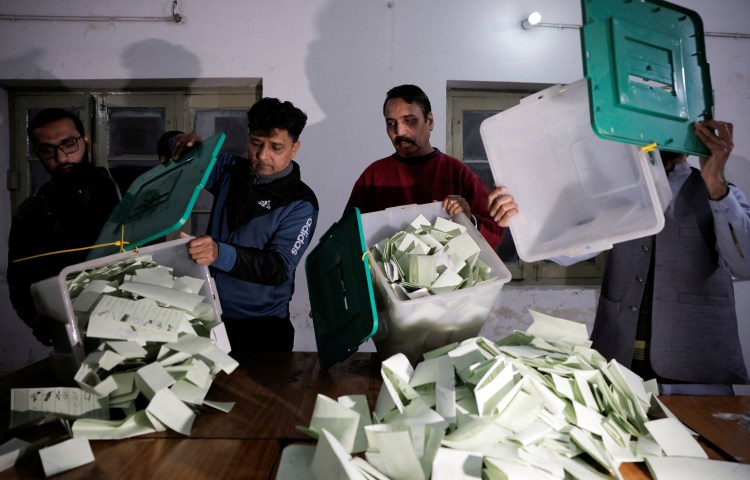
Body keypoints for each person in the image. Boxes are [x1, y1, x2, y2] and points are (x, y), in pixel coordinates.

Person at [489, 119, 750, 394]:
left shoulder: (722, 194)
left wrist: (716, 185)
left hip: (697, 370)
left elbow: (744, 264)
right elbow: (568, 252)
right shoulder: (618, 195)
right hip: (618, 365)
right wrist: (521, 218)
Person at [171, 98, 318, 352]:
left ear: (294, 149)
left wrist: (219, 253)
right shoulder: (230, 170)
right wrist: (182, 141)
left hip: (263, 330)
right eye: (256, 144)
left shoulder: (301, 202)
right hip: (208, 316)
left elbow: (278, 267)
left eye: (276, 147)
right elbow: (186, 156)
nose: (263, 156)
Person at [7, 108, 122, 345]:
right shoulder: (31, 212)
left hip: (139, 319)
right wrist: (44, 327)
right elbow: (19, 281)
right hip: (73, 334)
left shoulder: (123, 188)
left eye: (68, 144)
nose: (61, 158)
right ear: (37, 153)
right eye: (47, 150)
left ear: (86, 141)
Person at [345, 84, 503, 249]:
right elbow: (347, 239)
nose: (399, 132)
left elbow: (495, 235)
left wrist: (468, 220)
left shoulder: (457, 173)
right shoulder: (372, 177)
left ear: (430, 121)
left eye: (409, 120)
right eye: (391, 123)